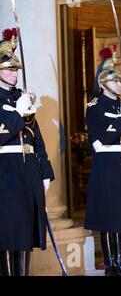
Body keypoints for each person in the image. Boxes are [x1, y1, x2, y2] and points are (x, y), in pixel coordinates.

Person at [84, 47, 121, 276]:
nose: (120, 85)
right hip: (107, 165)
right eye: (115, 81)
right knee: (109, 216)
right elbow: (104, 135)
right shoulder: (95, 107)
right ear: (103, 84)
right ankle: (112, 264)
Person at [0, 28, 54, 276]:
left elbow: (36, 136)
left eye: (15, 70)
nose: (14, 74)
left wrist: (45, 170)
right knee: (8, 229)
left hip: (27, 167)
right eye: (9, 70)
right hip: (6, 170)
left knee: (25, 228)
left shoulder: (21, 97)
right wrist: (18, 113)